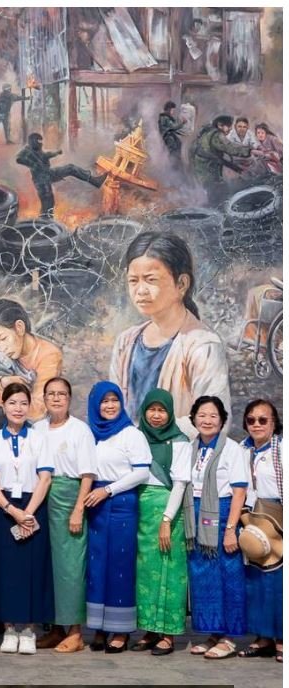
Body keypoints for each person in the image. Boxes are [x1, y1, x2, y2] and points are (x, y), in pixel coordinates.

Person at [110, 232, 230, 438]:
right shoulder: (126, 342)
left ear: (182, 283)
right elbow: (113, 409)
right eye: (133, 280)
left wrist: (149, 435)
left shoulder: (203, 345)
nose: (140, 290)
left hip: (177, 453)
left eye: (151, 280)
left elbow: (213, 420)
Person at [81, 382, 151, 653]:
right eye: (104, 401)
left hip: (120, 502)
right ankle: (99, 628)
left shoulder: (131, 434)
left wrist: (108, 490)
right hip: (95, 504)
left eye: (114, 400)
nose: (109, 406)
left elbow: (141, 472)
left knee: (119, 565)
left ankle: (120, 631)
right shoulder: (90, 434)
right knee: (97, 566)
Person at [0, 382, 54, 655]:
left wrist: (27, 513)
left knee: (32, 570)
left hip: (33, 506)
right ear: (3, 406)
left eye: (23, 403)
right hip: (3, 509)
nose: (18, 408)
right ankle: (8, 628)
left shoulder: (39, 438)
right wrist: (11, 510)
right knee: (5, 570)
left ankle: (28, 629)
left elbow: (45, 477)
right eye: (12, 403)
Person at [32, 377, 96, 653]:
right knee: (48, 567)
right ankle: (55, 628)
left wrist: (78, 509)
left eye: (62, 394)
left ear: (69, 399)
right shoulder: (36, 429)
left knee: (70, 567)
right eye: (51, 394)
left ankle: (76, 631)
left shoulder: (80, 430)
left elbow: (88, 474)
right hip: (41, 498)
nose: (56, 398)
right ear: (44, 398)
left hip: (69, 497)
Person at [185, 395, 250, 660]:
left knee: (228, 575)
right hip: (196, 516)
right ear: (193, 419)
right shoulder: (191, 448)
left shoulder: (232, 449)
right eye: (202, 415)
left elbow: (239, 491)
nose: (207, 420)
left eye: (213, 415)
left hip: (222, 516)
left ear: (222, 420)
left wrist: (231, 529)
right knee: (203, 577)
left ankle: (229, 637)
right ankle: (213, 632)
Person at [131, 388, 192, 656]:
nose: (156, 416)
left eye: (162, 410)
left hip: (168, 509)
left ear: (170, 413)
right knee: (145, 571)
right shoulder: (137, 437)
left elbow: (180, 483)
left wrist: (167, 519)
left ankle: (168, 633)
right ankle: (149, 629)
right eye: (151, 410)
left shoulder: (179, 441)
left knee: (169, 570)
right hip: (141, 509)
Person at [239, 398, 283, 663]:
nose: (256, 424)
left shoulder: (282, 449)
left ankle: (282, 638)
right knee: (257, 580)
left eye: (263, 420)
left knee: (279, 581)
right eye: (251, 420)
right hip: (252, 518)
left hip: (278, 516)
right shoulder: (242, 450)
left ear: (273, 423)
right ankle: (264, 636)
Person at [0, 299, 63, 423]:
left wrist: (3, 388)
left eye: (3, 338)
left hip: (31, 416)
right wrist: (2, 381)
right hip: (11, 400)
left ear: (19, 327)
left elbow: (38, 410)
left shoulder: (49, 355)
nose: (2, 349)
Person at [15, 132, 106, 217]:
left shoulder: (38, 150)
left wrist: (56, 153)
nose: (40, 144)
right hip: (41, 180)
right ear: (32, 141)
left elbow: (45, 155)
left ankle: (94, 181)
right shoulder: (27, 150)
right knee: (48, 201)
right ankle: (45, 221)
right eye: (38, 141)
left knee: (71, 168)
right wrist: (33, 164)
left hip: (49, 173)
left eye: (40, 141)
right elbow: (18, 158)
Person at [191, 115, 254, 204]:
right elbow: (230, 148)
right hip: (210, 173)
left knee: (215, 194)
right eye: (228, 126)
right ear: (220, 125)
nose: (230, 129)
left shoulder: (207, 134)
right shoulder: (216, 135)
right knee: (219, 195)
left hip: (203, 172)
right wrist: (250, 151)